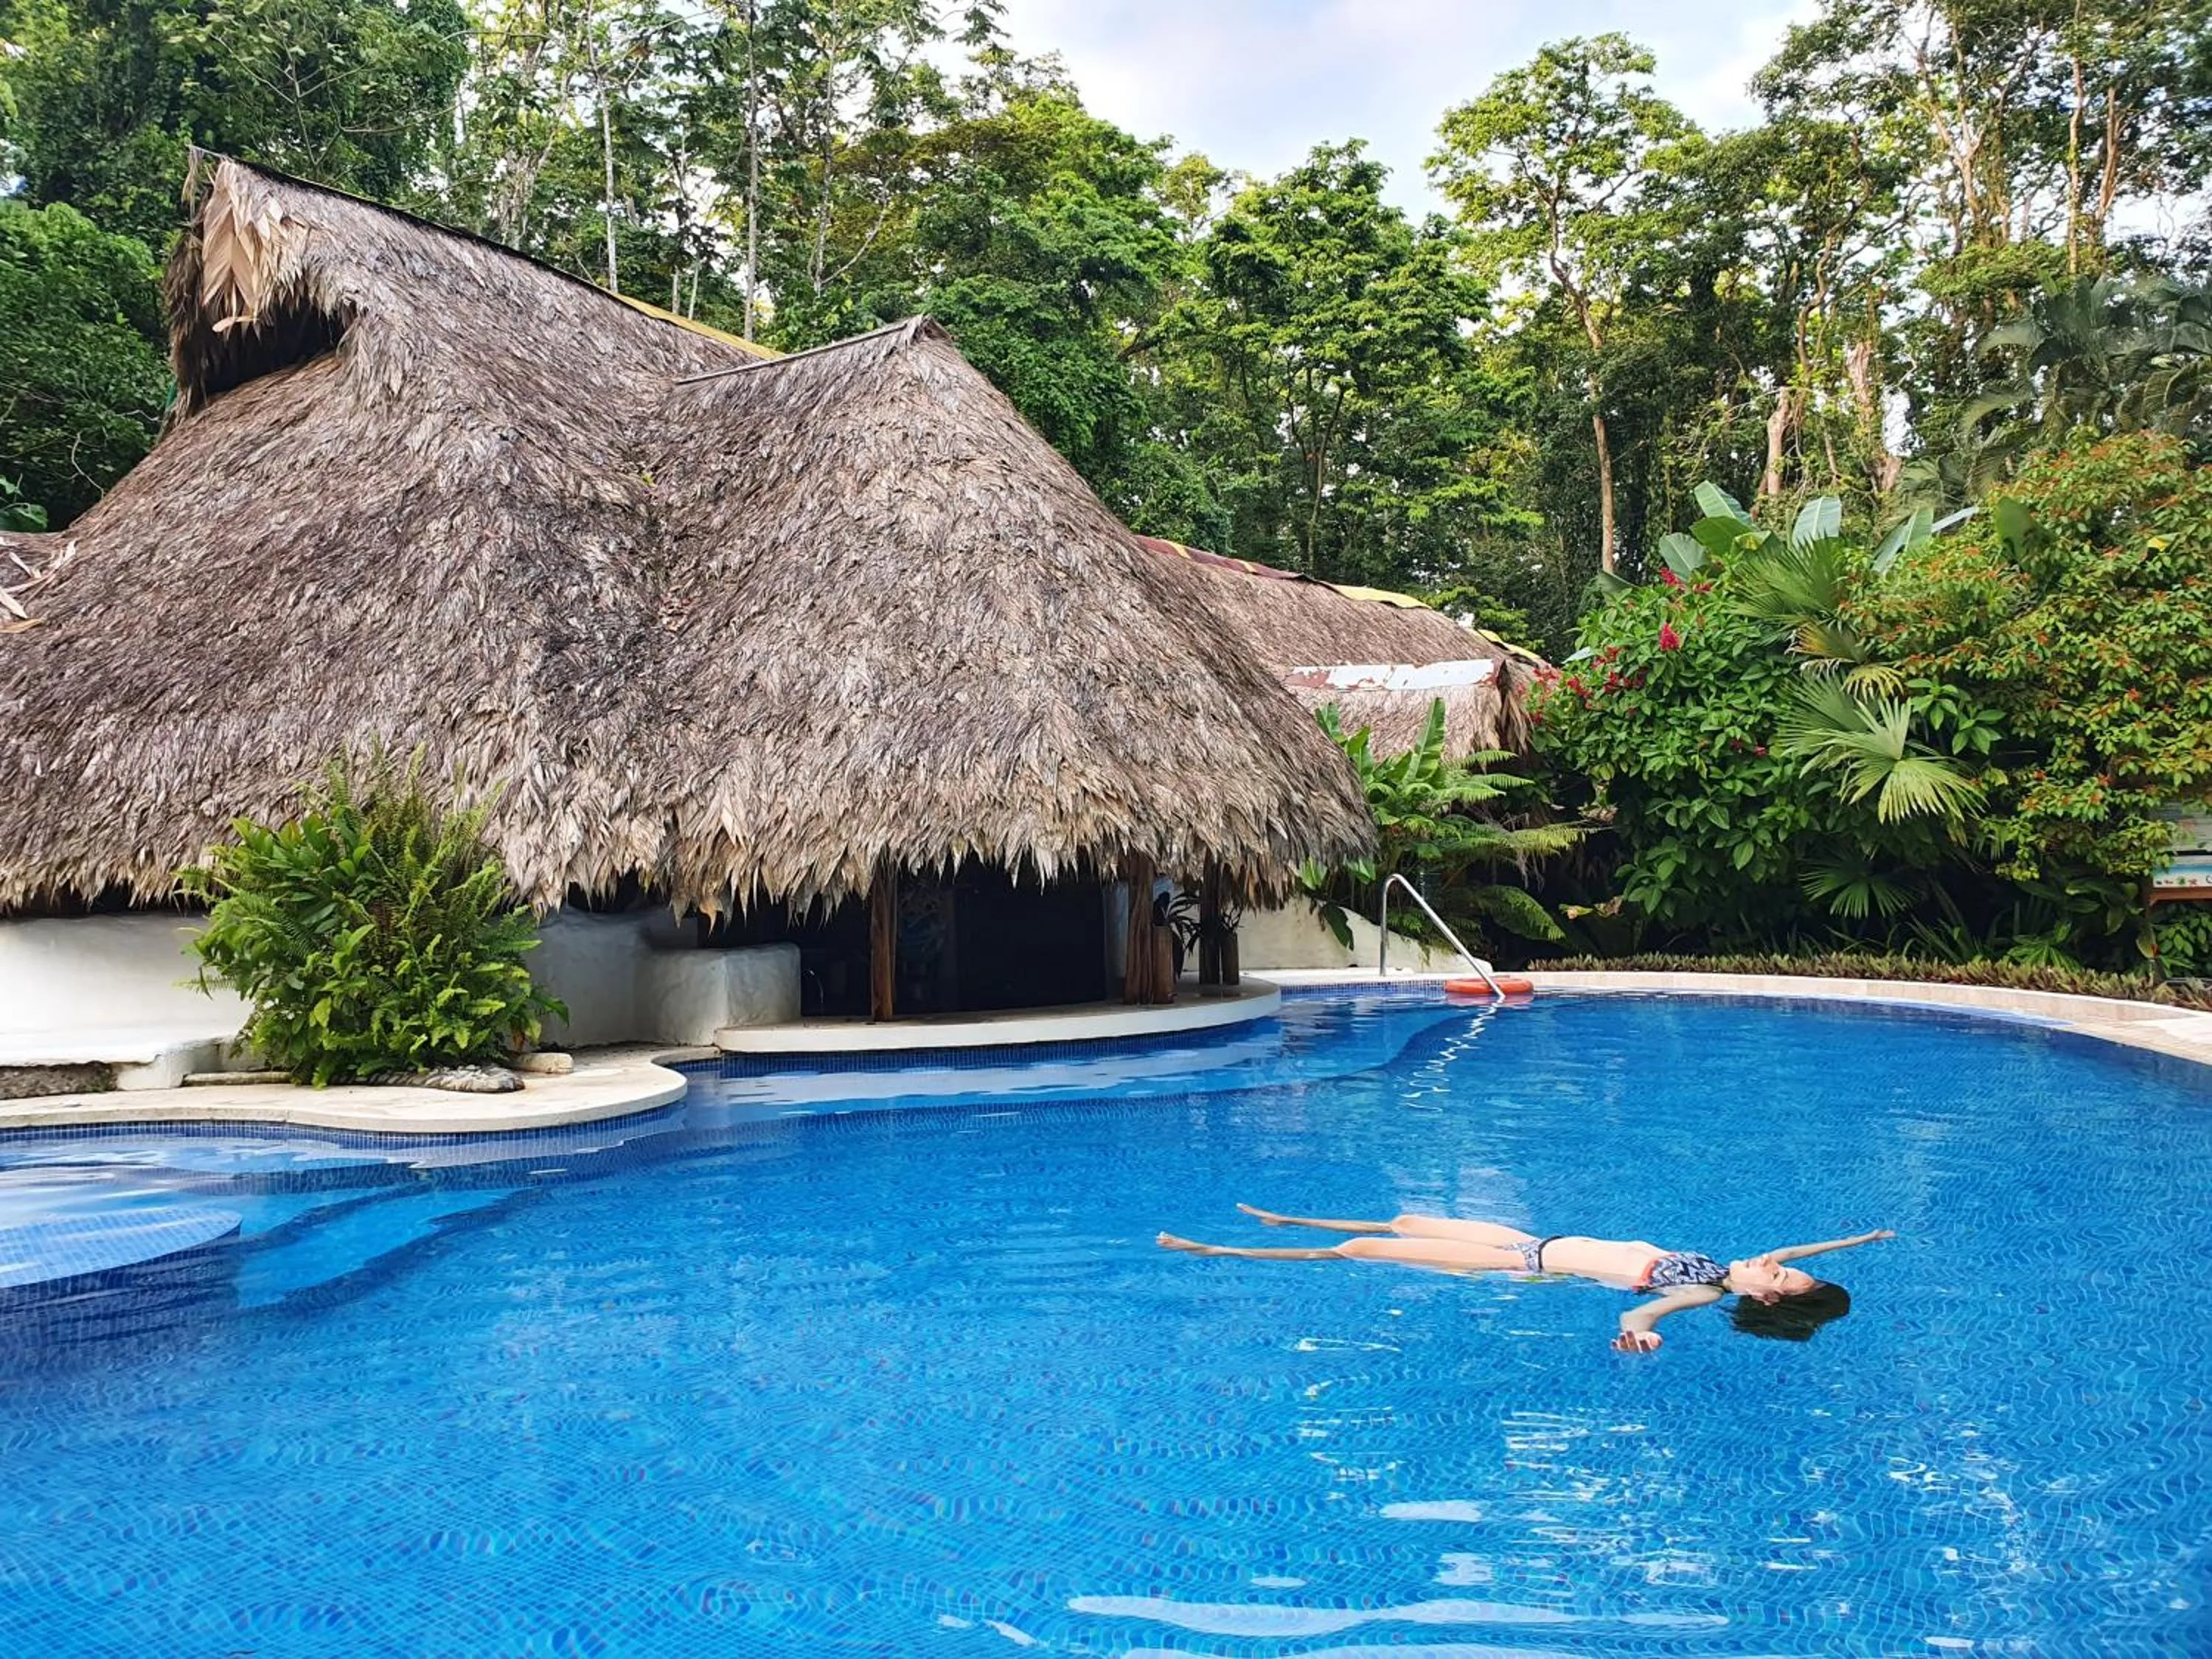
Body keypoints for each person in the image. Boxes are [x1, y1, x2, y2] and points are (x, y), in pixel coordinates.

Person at [1157, 1204, 1895, 1351]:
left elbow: (1642, 1317)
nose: (1782, 1265)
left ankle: (1218, 1254)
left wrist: (1636, 1335)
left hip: (1518, 1263)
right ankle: (1289, 1223)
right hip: (1533, 1240)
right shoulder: (1726, 1267)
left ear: (1764, 1298)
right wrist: (1854, 1241)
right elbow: (1801, 1245)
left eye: (1786, 1279)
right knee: (1408, 1221)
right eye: (1790, 1269)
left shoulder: (1701, 1289)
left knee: (1359, 1251)